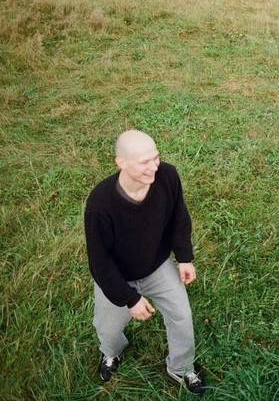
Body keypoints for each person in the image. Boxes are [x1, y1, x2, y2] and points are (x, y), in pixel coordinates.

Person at [84, 129, 204, 394]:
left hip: (157, 266)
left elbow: (178, 218)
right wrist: (129, 298)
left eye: (156, 157)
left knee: (182, 317)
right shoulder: (100, 202)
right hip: (118, 275)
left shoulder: (167, 176)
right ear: (121, 163)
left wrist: (184, 257)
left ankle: (181, 367)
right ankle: (112, 353)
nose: (154, 167)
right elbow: (99, 262)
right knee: (108, 329)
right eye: (144, 162)